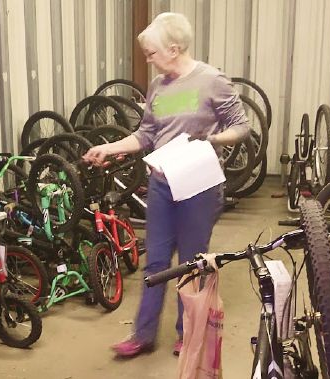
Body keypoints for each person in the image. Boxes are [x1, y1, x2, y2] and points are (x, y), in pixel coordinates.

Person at [82, 12, 250, 358]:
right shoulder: (158, 87)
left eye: (152, 53)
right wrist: (108, 148)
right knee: (156, 262)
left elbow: (241, 126)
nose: (148, 60)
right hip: (162, 183)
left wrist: (213, 140)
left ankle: (186, 334)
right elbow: (147, 134)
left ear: (174, 49)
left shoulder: (211, 81)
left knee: (191, 263)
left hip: (198, 188)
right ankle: (143, 335)